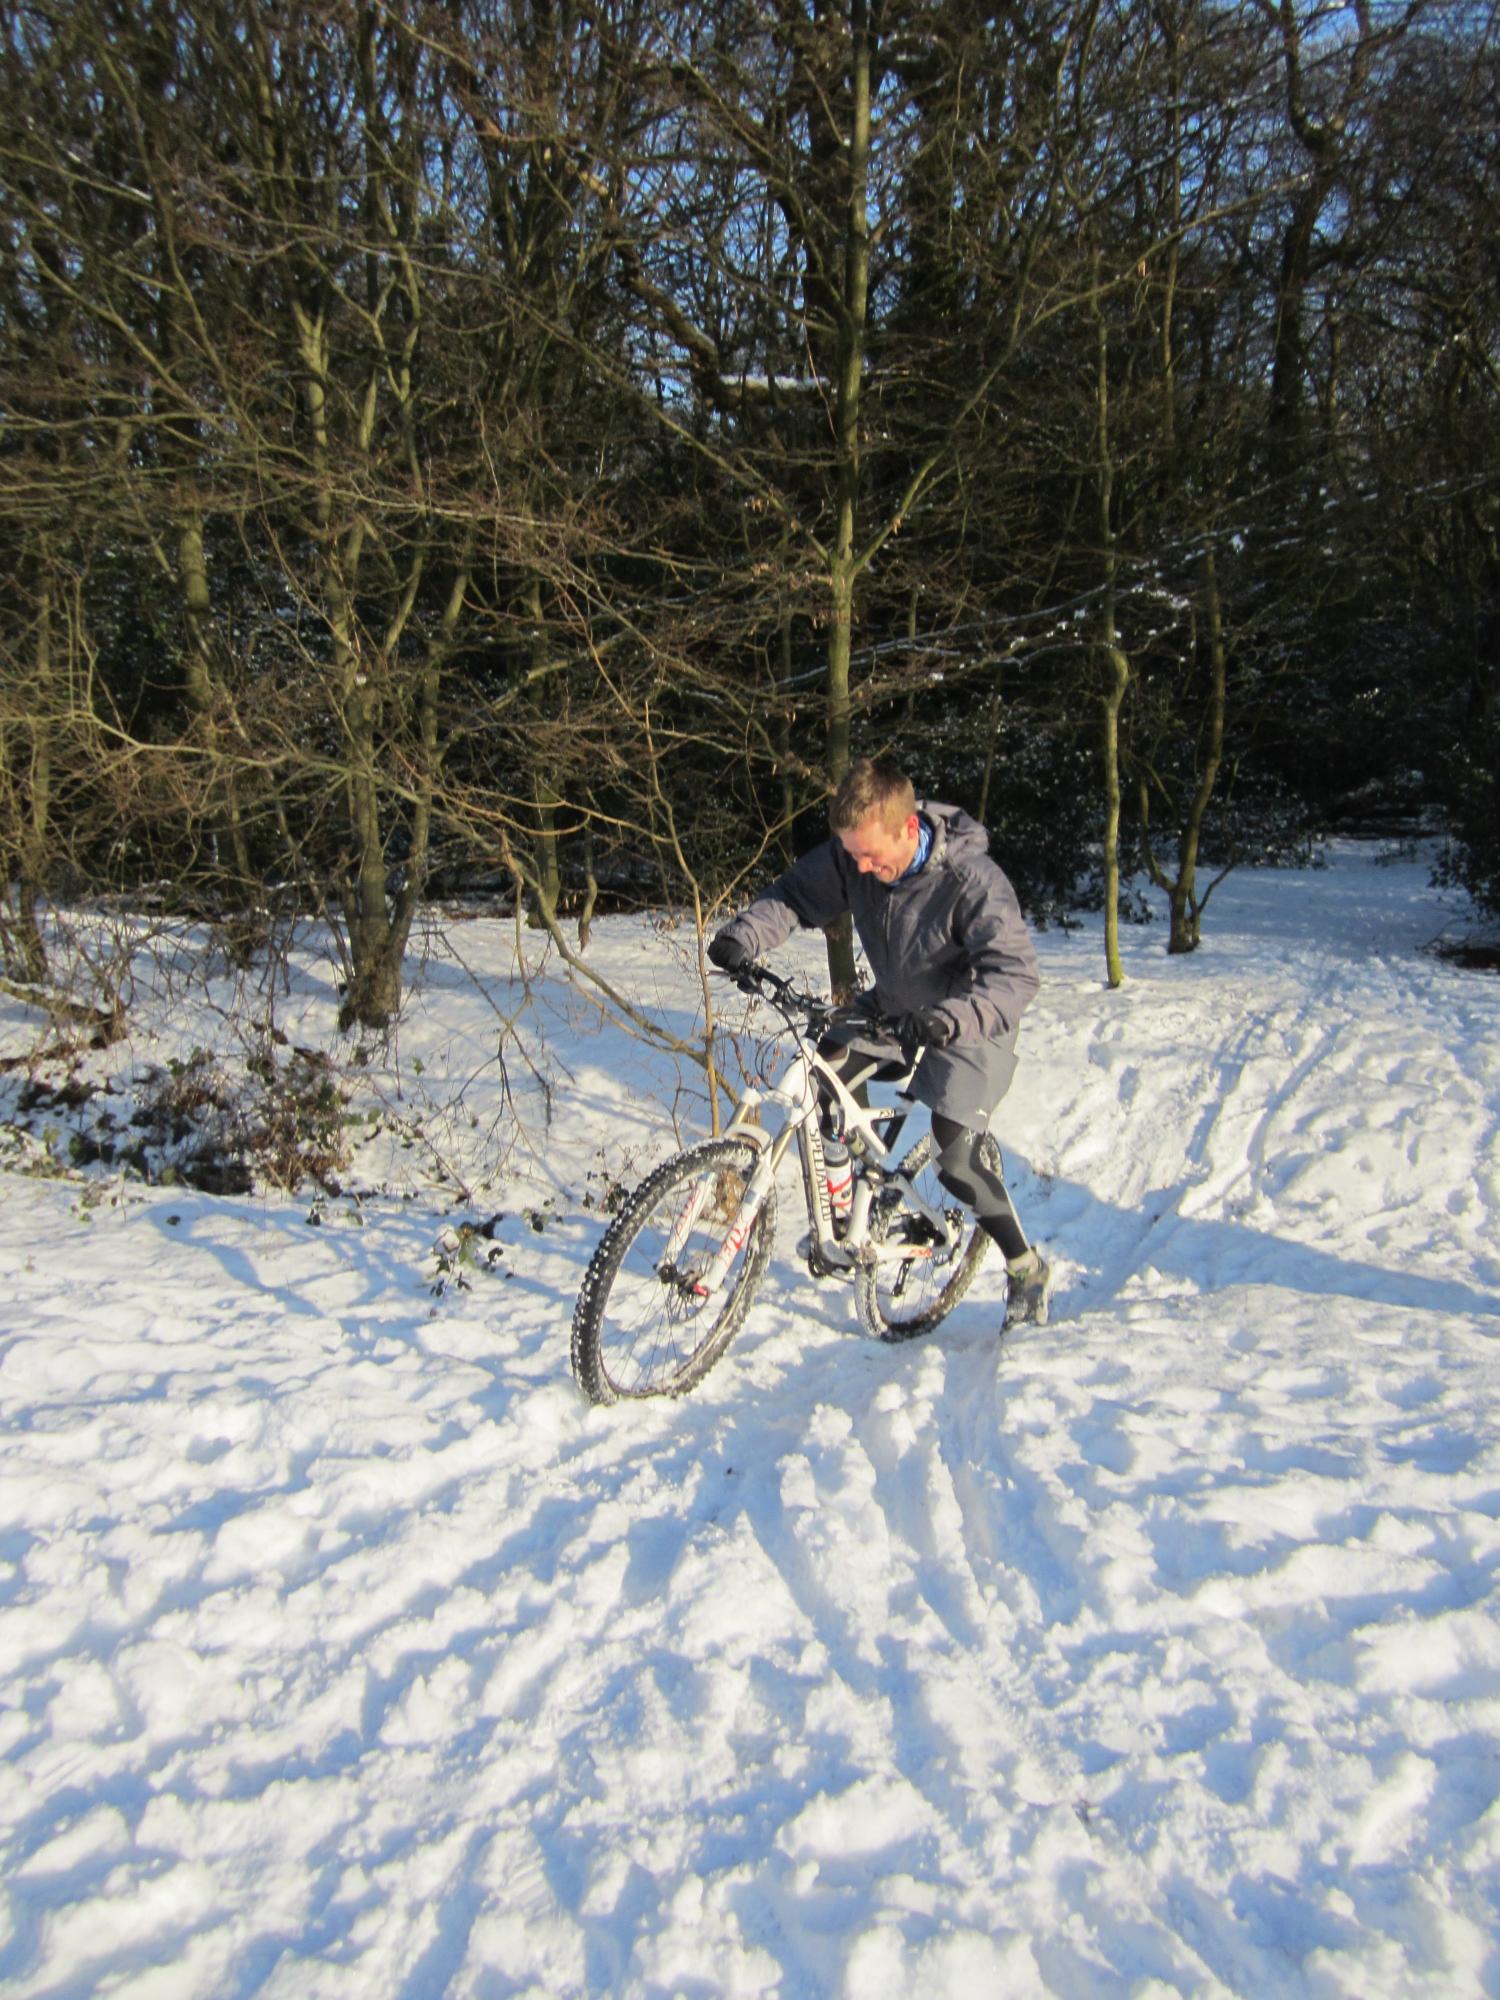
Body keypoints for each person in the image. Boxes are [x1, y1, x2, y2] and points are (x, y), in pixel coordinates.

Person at [707, 756, 1052, 1330]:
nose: (862, 867)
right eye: (853, 856)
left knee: (955, 1155)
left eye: (872, 855)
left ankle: (1025, 1266)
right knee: (826, 1071)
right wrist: (742, 937)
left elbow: (1015, 977)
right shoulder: (856, 859)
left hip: (969, 1017)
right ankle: (854, 1212)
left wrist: (947, 1020)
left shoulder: (972, 882)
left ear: (908, 829)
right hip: (897, 1002)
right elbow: (794, 895)